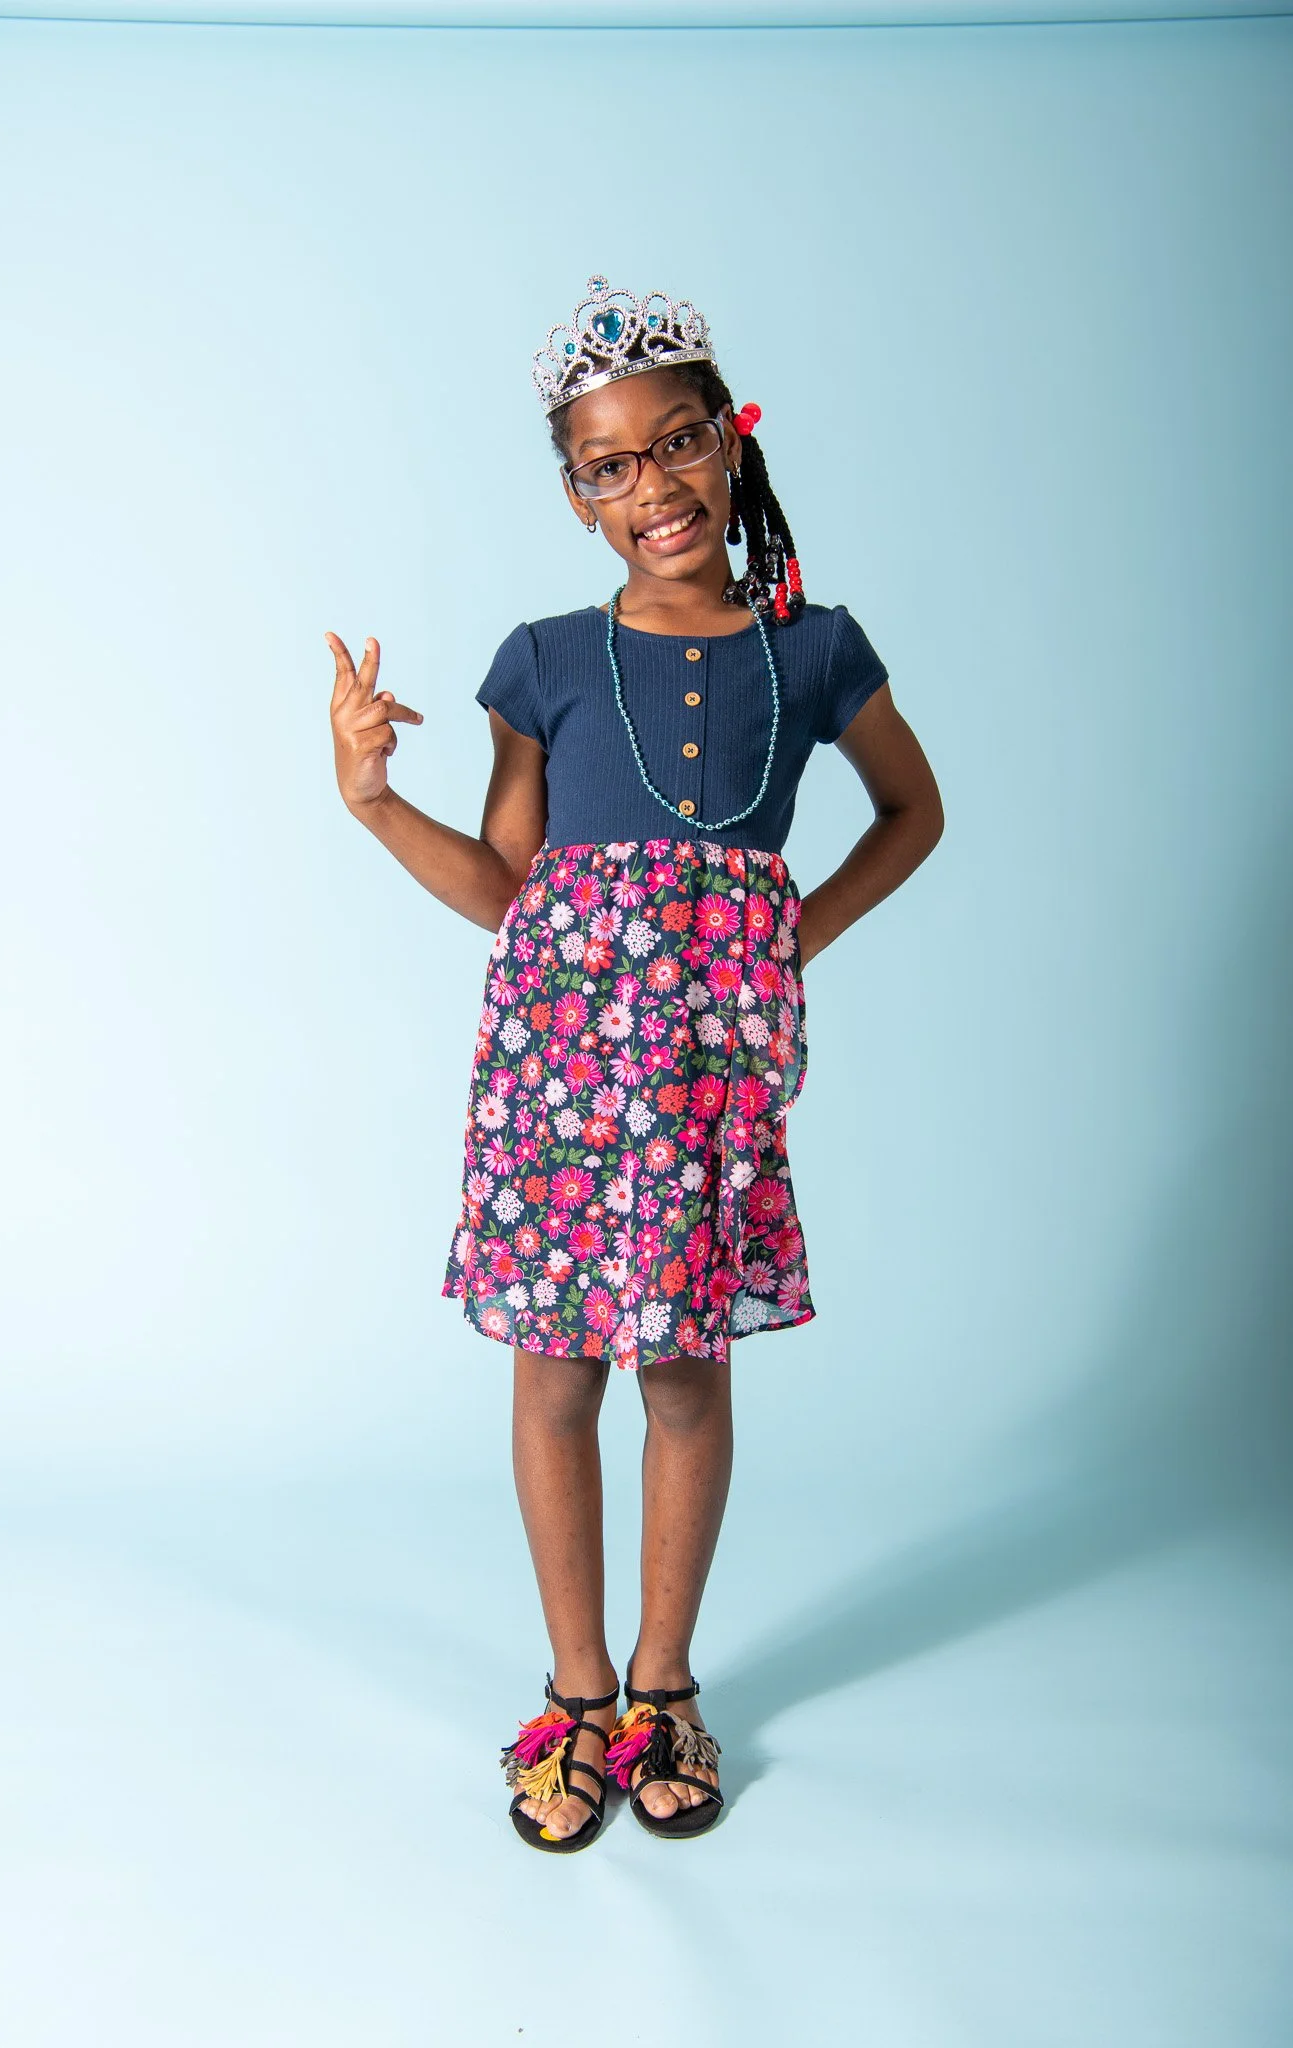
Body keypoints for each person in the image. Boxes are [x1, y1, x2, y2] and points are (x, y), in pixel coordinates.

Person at [326, 276, 943, 1853]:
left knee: (683, 1371)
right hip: (555, 1066)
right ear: (575, 493)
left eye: (676, 446)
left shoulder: (814, 649)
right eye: (610, 465)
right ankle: (578, 1697)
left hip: (706, 1079)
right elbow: (507, 886)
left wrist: (783, 935)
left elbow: (911, 812)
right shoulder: (539, 658)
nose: (651, 486)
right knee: (556, 1375)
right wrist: (376, 804)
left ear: (731, 449)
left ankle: (666, 1688)